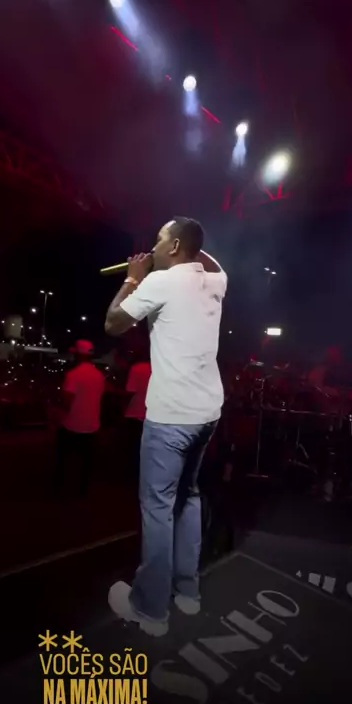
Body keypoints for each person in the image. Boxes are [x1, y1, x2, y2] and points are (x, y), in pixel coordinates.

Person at [104, 217, 227, 636]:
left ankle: (151, 609)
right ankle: (187, 593)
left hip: (171, 415)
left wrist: (133, 277)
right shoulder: (216, 281)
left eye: (158, 241)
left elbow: (113, 323)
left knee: (158, 508)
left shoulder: (160, 282)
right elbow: (207, 258)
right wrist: (185, 243)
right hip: (207, 414)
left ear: (174, 247)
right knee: (188, 497)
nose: (152, 247)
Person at [54, 339, 105, 497]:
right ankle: (83, 490)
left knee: (64, 459)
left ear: (78, 354)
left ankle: (62, 488)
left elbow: (66, 402)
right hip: (92, 425)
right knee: (86, 462)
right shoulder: (99, 375)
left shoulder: (73, 375)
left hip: (72, 425)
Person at [122, 345, 151, 481]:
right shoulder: (162, 368)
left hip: (135, 413)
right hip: (154, 415)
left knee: (132, 448)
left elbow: (130, 390)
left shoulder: (137, 368)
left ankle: (132, 476)